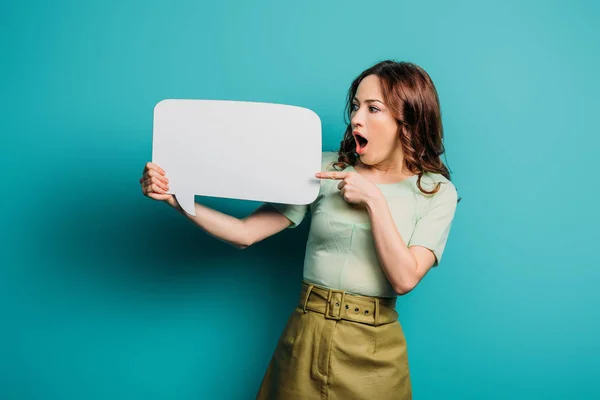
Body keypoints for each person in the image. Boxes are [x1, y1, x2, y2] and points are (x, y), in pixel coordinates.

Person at [139, 60, 460, 399]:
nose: (356, 119)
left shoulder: (436, 191)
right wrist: (177, 200)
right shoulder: (324, 169)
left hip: (375, 349)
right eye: (355, 106)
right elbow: (244, 233)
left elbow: (404, 278)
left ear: (407, 121)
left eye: (373, 108)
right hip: (307, 334)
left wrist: (374, 201)